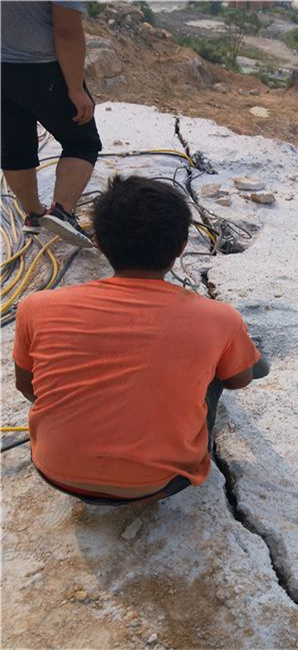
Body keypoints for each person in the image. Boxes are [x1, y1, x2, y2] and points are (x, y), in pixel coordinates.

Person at [13, 175, 269, 505]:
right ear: (180, 248)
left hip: (55, 471)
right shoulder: (218, 318)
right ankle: (252, 352)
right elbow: (238, 382)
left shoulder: (37, 307)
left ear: (99, 242)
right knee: (218, 367)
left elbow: (27, 386)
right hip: (159, 483)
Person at [1, 1, 102, 248]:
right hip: (42, 67)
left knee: (15, 148)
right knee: (82, 141)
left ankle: (34, 214)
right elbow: (67, 32)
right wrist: (76, 89)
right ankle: (61, 212)